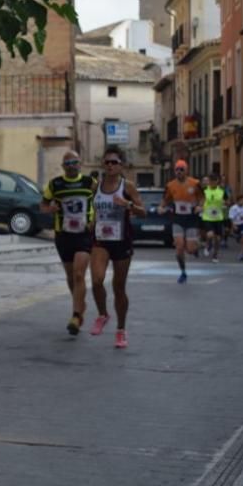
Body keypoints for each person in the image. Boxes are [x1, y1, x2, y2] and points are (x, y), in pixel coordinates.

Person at [89, 146, 145, 349]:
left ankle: (121, 330)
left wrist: (127, 205)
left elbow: (143, 212)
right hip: (100, 239)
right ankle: (103, 314)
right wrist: (91, 222)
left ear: (121, 166)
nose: (110, 165)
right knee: (96, 280)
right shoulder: (96, 186)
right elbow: (93, 210)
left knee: (118, 287)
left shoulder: (127, 186)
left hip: (122, 240)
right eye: (107, 162)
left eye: (114, 162)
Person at [40, 150, 97, 335]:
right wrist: (51, 208)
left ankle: (76, 314)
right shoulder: (55, 184)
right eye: (68, 163)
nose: (72, 166)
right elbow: (43, 205)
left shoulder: (90, 183)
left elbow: (100, 203)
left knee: (79, 274)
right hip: (63, 234)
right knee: (71, 276)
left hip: (83, 234)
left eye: (75, 162)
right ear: (63, 166)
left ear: (80, 164)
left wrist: (94, 222)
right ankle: (80, 304)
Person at [159, 159, 204, 283]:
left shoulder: (195, 183)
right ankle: (183, 272)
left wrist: (200, 206)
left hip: (191, 218)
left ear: (186, 170)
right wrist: (161, 207)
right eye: (177, 169)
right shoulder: (170, 185)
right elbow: (166, 199)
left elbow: (202, 198)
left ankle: (195, 248)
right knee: (179, 248)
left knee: (189, 249)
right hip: (178, 218)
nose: (179, 172)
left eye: (181, 169)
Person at [200, 173, 227, 263]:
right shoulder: (205, 190)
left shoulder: (222, 191)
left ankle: (215, 255)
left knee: (218, 239)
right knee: (210, 234)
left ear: (217, 181)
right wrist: (200, 207)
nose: (211, 183)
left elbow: (228, 200)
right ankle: (208, 245)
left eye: (213, 181)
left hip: (218, 217)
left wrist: (225, 204)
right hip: (207, 217)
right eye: (210, 181)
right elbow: (201, 201)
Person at [229, 197, 243, 262]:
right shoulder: (233, 208)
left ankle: (242, 253)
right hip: (236, 224)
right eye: (241, 200)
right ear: (238, 201)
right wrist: (233, 225)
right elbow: (231, 217)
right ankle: (237, 237)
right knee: (239, 239)